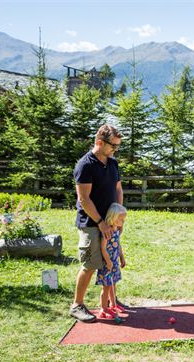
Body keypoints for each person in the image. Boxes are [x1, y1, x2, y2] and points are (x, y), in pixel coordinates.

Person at [69, 124, 124, 323]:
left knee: (111, 260)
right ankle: (77, 305)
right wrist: (101, 222)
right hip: (91, 223)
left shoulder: (112, 163)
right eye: (113, 146)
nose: (115, 150)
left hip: (110, 222)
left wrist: (118, 216)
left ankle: (110, 301)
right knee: (91, 264)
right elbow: (84, 198)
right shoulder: (85, 165)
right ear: (99, 142)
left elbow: (118, 189)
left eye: (117, 146)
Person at [96, 202, 128, 319]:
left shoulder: (115, 230)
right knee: (106, 287)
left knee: (113, 284)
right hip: (107, 263)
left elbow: (117, 244)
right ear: (114, 218)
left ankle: (114, 305)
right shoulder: (107, 231)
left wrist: (122, 256)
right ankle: (103, 308)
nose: (123, 222)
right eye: (122, 219)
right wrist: (108, 262)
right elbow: (103, 248)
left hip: (114, 262)